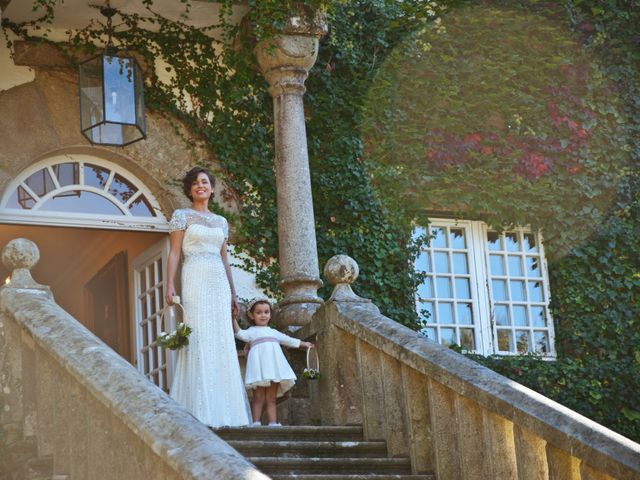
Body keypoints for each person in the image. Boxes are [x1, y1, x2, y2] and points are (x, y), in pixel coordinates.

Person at [165, 166, 251, 427]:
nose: (200, 186)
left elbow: (225, 259)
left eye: (205, 182)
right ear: (190, 190)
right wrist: (169, 284)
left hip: (218, 282)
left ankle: (228, 413)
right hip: (194, 277)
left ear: (212, 189)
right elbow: (175, 254)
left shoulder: (221, 222)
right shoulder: (182, 216)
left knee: (221, 341)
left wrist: (233, 294)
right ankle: (197, 410)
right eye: (195, 183)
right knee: (199, 337)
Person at [233, 298, 314, 426]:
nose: (263, 315)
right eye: (259, 312)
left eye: (266, 312)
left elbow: (289, 340)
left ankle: (273, 422)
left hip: (273, 369)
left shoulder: (274, 333)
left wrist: (304, 344)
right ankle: (255, 423)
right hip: (259, 370)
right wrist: (233, 319)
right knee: (258, 397)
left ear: (270, 314)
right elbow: (239, 334)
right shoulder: (251, 332)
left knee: (271, 398)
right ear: (251, 315)